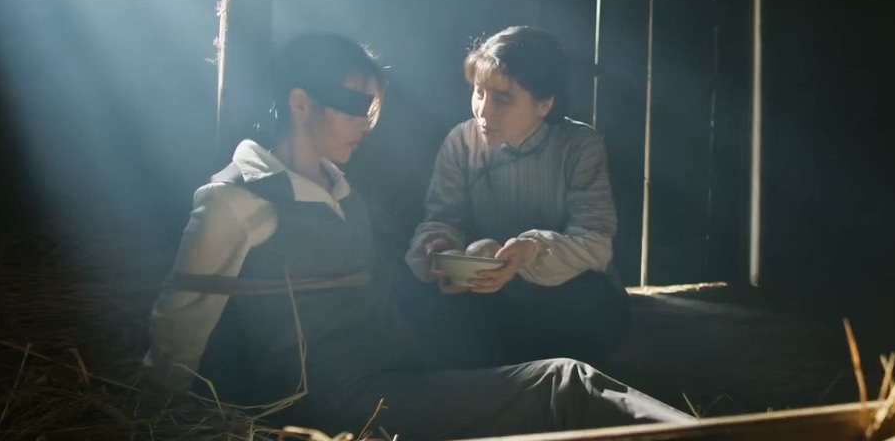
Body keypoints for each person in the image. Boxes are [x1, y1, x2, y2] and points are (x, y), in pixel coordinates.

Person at [144, 32, 692, 441]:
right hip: (337, 398)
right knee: (563, 385)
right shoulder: (236, 199)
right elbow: (181, 317)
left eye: (372, 109)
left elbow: (593, 239)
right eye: (356, 107)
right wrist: (159, 411)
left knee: (553, 369)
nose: (367, 123)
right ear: (301, 103)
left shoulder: (340, 191)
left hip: (390, 361)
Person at [401, 26, 631, 370]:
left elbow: (595, 242)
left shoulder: (579, 145)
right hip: (487, 291)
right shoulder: (462, 141)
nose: (483, 112)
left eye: (502, 99)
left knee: (590, 306)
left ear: (545, 103)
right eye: (479, 92)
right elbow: (443, 217)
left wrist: (529, 251)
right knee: (420, 298)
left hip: (560, 293)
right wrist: (441, 248)